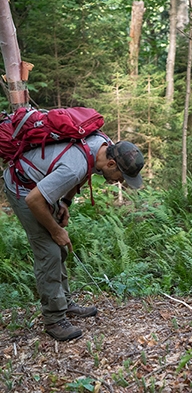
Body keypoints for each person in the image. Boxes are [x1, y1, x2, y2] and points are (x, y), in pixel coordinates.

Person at [2, 133, 144, 340]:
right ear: (112, 163)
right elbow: (34, 200)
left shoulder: (102, 145)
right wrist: (56, 230)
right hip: (23, 188)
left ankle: (65, 303)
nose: (120, 181)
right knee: (49, 251)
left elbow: (84, 172)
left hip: (39, 184)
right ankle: (53, 319)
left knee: (59, 248)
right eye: (121, 176)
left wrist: (65, 203)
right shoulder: (74, 167)